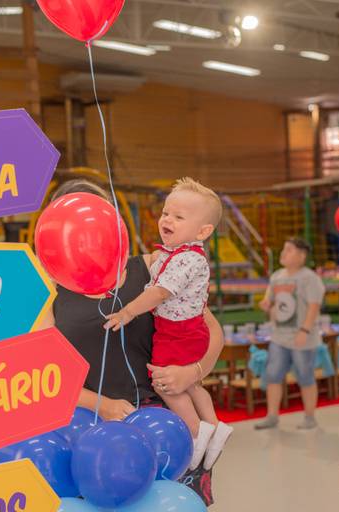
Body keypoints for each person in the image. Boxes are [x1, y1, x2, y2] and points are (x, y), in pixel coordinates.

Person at [39, 179, 224, 506]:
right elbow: (46, 374)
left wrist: (192, 373)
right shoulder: (47, 295)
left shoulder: (155, 267)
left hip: (167, 425)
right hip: (91, 433)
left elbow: (212, 332)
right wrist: (102, 405)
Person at [104, 177, 233, 470]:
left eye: (178, 217)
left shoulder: (184, 259)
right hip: (183, 331)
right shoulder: (173, 256)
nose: (167, 220)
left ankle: (197, 433)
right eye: (165, 213)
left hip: (178, 333)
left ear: (203, 231)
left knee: (165, 385)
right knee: (191, 387)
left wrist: (127, 312)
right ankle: (214, 426)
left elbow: (160, 293)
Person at [254, 237, 325, 430]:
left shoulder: (310, 278)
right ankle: (272, 416)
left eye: (289, 250)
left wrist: (305, 330)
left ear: (302, 256)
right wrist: (267, 305)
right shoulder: (276, 277)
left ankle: (310, 417)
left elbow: (314, 307)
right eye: (284, 249)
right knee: (273, 375)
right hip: (279, 337)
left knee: (305, 376)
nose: (284, 253)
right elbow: (271, 301)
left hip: (302, 338)